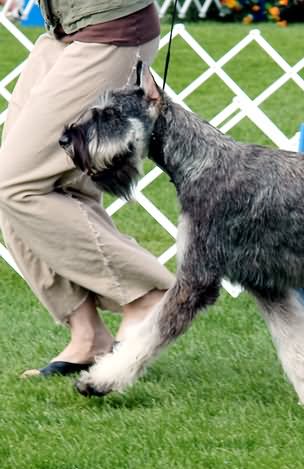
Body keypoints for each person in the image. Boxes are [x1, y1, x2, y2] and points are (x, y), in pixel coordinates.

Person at [0, 1, 175, 377]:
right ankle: (87, 334)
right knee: (39, 185)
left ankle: (146, 292)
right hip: (65, 29)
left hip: (109, 27)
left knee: (15, 184)